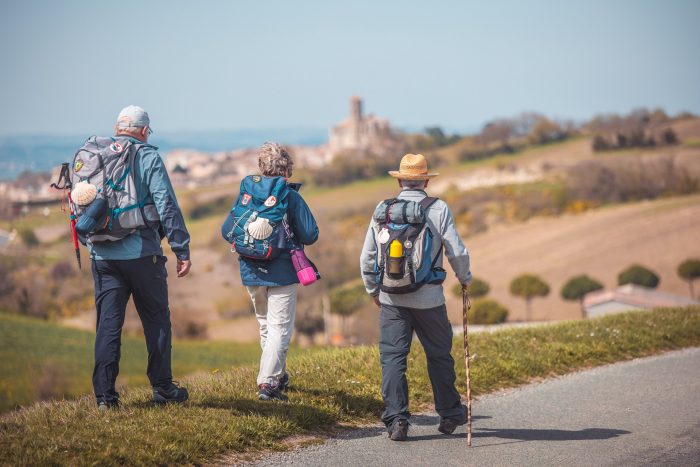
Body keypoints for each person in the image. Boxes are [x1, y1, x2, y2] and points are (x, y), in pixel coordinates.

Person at [360, 153, 472, 441]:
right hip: (429, 300)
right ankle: (450, 414)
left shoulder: (382, 210)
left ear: (399, 180)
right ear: (425, 180)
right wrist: (464, 279)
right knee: (439, 356)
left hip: (391, 300)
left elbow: (368, 257)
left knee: (393, 359)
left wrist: (374, 289)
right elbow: (455, 249)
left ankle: (397, 420)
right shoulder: (438, 208)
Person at [89, 105, 191, 409]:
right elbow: (166, 205)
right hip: (141, 254)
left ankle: (105, 398)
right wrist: (181, 248)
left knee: (108, 325)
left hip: (101, 255)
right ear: (145, 131)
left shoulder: (98, 153)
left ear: (118, 128)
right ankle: (162, 388)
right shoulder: (146, 155)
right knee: (157, 319)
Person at [232, 142, 319, 401]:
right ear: (287, 171)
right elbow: (310, 234)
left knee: (266, 326)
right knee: (279, 328)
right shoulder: (290, 196)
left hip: (250, 269)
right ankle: (268, 384)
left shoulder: (246, 193)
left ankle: (277, 375)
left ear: (261, 167)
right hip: (282, 272)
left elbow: (229, 227)